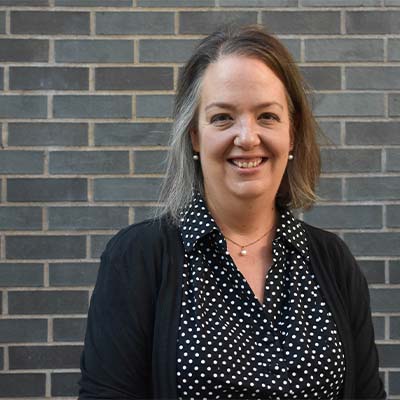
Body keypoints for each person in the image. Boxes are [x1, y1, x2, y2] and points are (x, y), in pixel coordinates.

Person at [78, 25, 386, 399]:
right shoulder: (137, 259)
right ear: (195, 135)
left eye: (267, 116)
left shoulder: (332, 261)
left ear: (292, 131)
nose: (247, 137)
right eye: (223, 117)